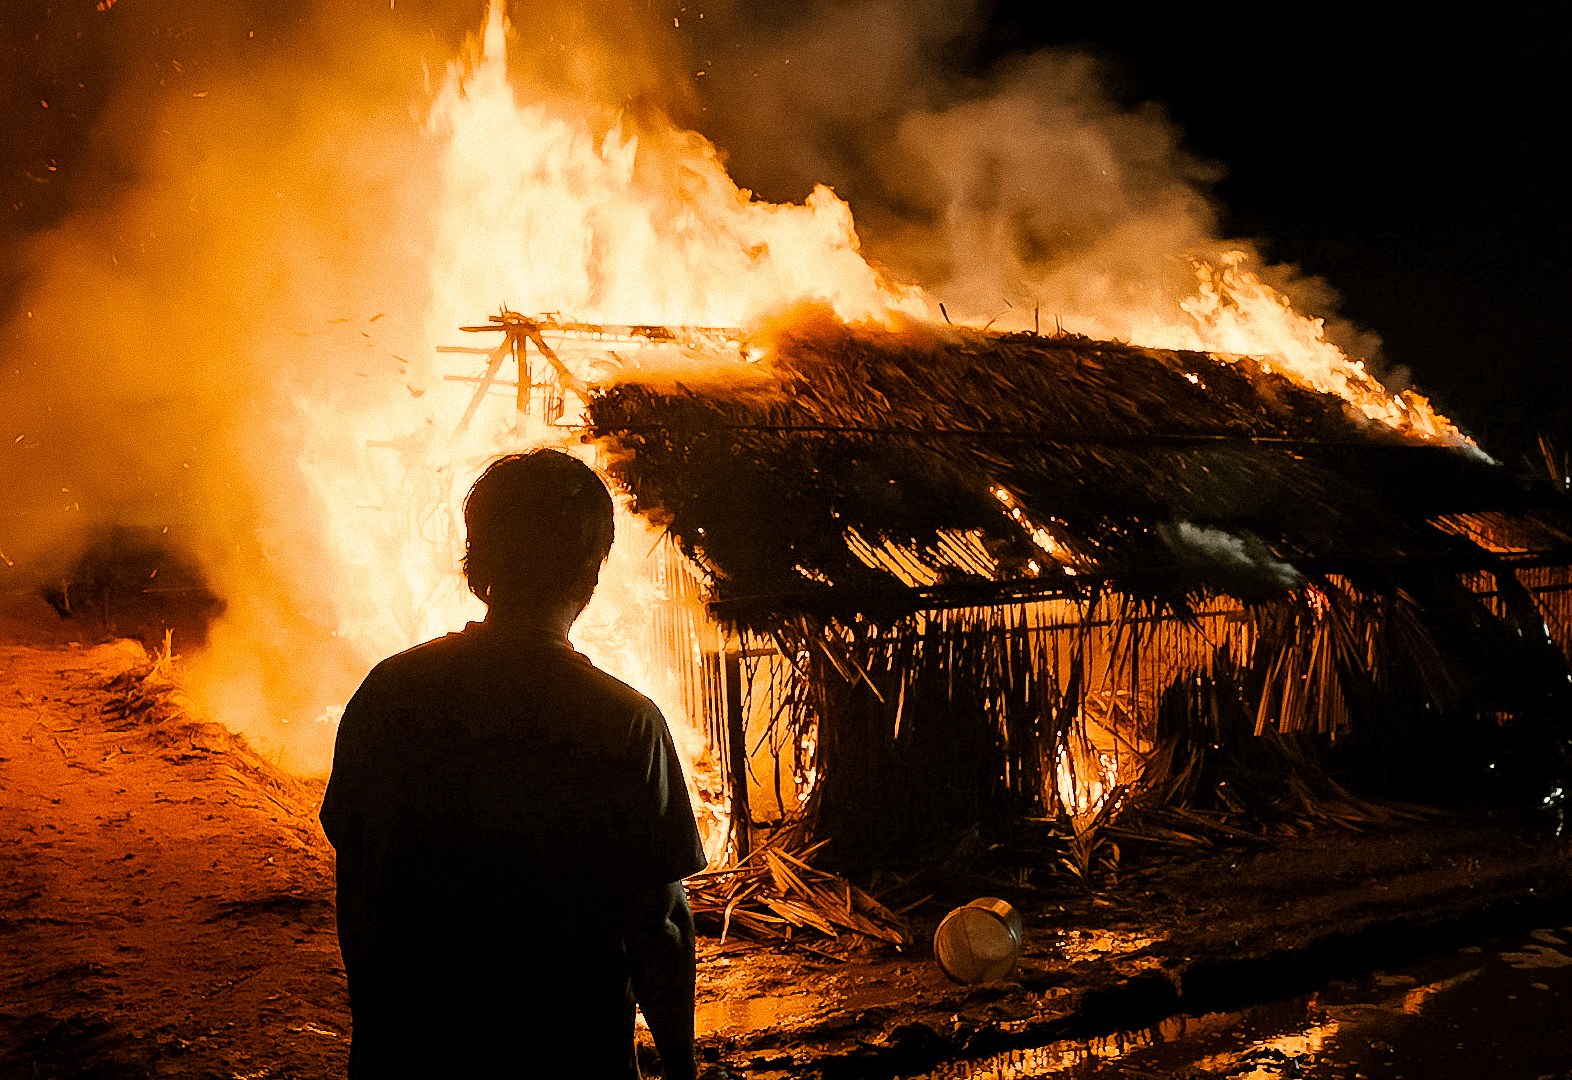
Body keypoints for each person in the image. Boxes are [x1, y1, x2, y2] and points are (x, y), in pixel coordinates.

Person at [320, 449, 707, 1079]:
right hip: (565, 1056)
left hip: (412, 1052)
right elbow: (658, 922)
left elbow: (356, 884)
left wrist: (377, 1024)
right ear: (591, 569)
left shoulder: (389, 694)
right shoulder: (625, 722)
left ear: (479, 563)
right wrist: (682, 1068)